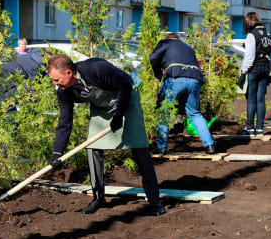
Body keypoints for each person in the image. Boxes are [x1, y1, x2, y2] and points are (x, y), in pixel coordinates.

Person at [47, 54, 165, 216]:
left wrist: (118, 116)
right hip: (102, 109)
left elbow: (125, 86)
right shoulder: (64, 91)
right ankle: (98, 197)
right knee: (92, 147)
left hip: (126, 100)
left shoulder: (96, 69)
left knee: (139, 148)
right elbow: (65, 122)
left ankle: (154, 200)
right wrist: (57, 152)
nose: (55, 84)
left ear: (68, 72)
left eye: (56, 79)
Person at [149, 32, 216, 155]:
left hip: (175, 78)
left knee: (163, 112)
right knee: (194, 113)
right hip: (195, 79)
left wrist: (158, 74)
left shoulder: (166, 43)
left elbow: (153, 58)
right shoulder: (188, 47)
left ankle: (161, 147)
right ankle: (210, 145)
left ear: (168, 39)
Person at [237, 12, 271, 137]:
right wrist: (269, 70)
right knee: (261, 100)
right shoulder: (268, 35)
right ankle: (260, 129)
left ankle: (250, 129)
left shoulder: (252, 35)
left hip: (254, 69)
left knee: (251, 99)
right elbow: (270, 55)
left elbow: (249, 56)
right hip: (265, 69)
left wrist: (243, 72)